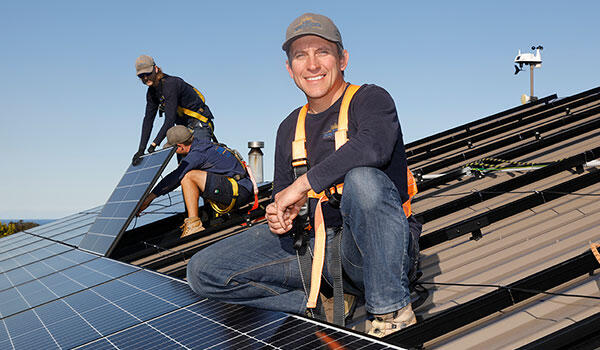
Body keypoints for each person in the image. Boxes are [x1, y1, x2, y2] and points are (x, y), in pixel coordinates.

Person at [186, 13, 419, 338]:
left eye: (322, 52)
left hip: (373, 253)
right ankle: (309, 306)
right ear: (289, 68)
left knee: (363, 181)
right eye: (300, 55)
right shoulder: (288, 128)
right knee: (202, 271)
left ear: (343, 59)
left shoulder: (370, 99)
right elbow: (283, 195)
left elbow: (373, 148)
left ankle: (391, 311)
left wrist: (303, 184)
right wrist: (279, 215)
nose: (312, 65)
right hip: (317, 255)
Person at [137, 125, 254, 237]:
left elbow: (175, 177)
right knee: (193, 174)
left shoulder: (197, 154)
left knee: (188, 176)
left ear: (180, 146)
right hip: (240, 188)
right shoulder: (203, 145)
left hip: (238, 192)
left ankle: (193, 225)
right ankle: (208, 216)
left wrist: (150, 197)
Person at [132, 55, 215, 166]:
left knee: (197, 164)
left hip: (199, 123)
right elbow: (148, 120)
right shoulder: (152, 93)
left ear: (156, 69)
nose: (145, 78)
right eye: (141, 76)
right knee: (183, 167)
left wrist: (154, 144)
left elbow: (169, 120)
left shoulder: (170, 84)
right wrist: (141, 150)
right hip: (182, 129)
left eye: (148, 73)